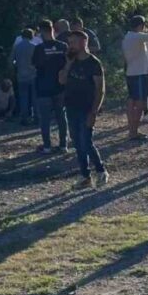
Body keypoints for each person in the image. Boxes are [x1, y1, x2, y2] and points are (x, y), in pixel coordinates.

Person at [59, 30, 108, 188]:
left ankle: (101, 171)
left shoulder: (94, 63)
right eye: (69, 42)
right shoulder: (71, 61)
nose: (70, 45)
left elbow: (100, 89)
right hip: (71, 107)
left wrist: (94, 112)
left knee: (86, 142)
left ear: (83, 42)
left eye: (73, 42)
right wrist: (67, 63)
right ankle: (85, 175)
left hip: (87, 108)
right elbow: (61, 81)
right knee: (77, 142)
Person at [121, 14, 148, 141]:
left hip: (131, 72)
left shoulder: (127, 36)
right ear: (140, 26)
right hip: (139, 73)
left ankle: (131, 129)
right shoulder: (137, 36)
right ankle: (133, 132)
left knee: (131, 100)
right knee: (140, 102)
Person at [32, 20, 69, 153]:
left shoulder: (39, 48)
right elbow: (68, 65)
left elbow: (35, 65)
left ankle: (47, 146)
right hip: (60, 87)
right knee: (61, 117)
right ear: (53, 29)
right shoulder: (63, 46)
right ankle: (63, 145)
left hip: (43, 88)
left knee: (45, 120)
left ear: (41, 31)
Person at [12, 28, 38, 125]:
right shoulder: (34, 46)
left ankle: (24, 118)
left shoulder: (17, 47)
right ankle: (36, 117)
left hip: (21, 75)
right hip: (33, 74)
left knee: (23, 97)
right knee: (35, 97)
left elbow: (12, 61)